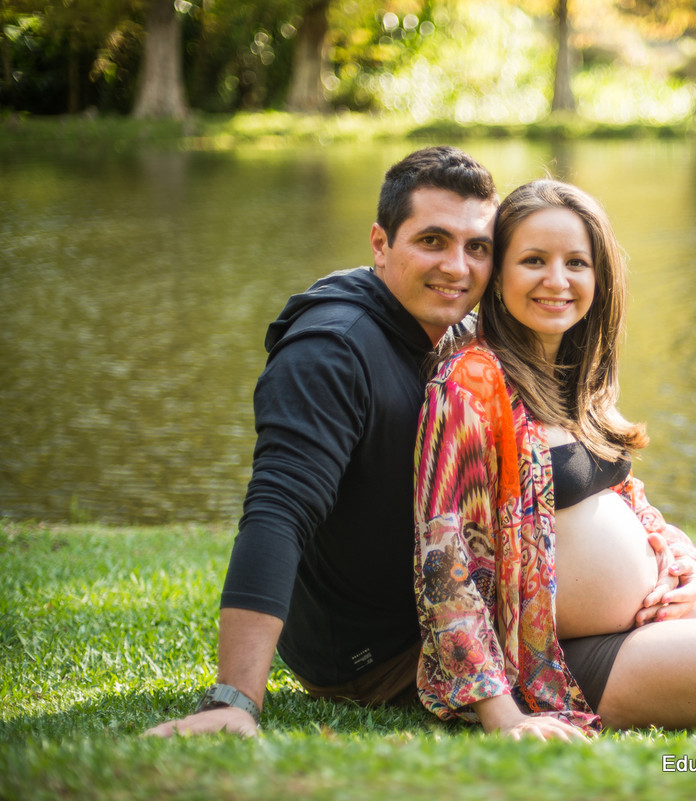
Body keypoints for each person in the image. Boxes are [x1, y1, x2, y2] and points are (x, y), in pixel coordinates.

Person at [413, 179, 696, 742]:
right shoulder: (471, 383)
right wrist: (504, 715)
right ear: (498, 277)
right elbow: (445, 560)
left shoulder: (572, 374)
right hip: (556, 659)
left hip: (640, 614)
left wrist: (674, 558)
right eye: (533, 261)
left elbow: (621, 495)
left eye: (577, 262)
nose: (557, 280)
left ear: (601, 276)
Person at [146, 146, 502, 736]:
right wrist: (235, 699)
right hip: (382, 652)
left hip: (462, 614)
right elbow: (279, 512)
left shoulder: (450, 331)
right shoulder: (331, 350)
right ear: (381, 244)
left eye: (477, 247)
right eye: (432, 241)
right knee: (643, 651)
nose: (458, 268)